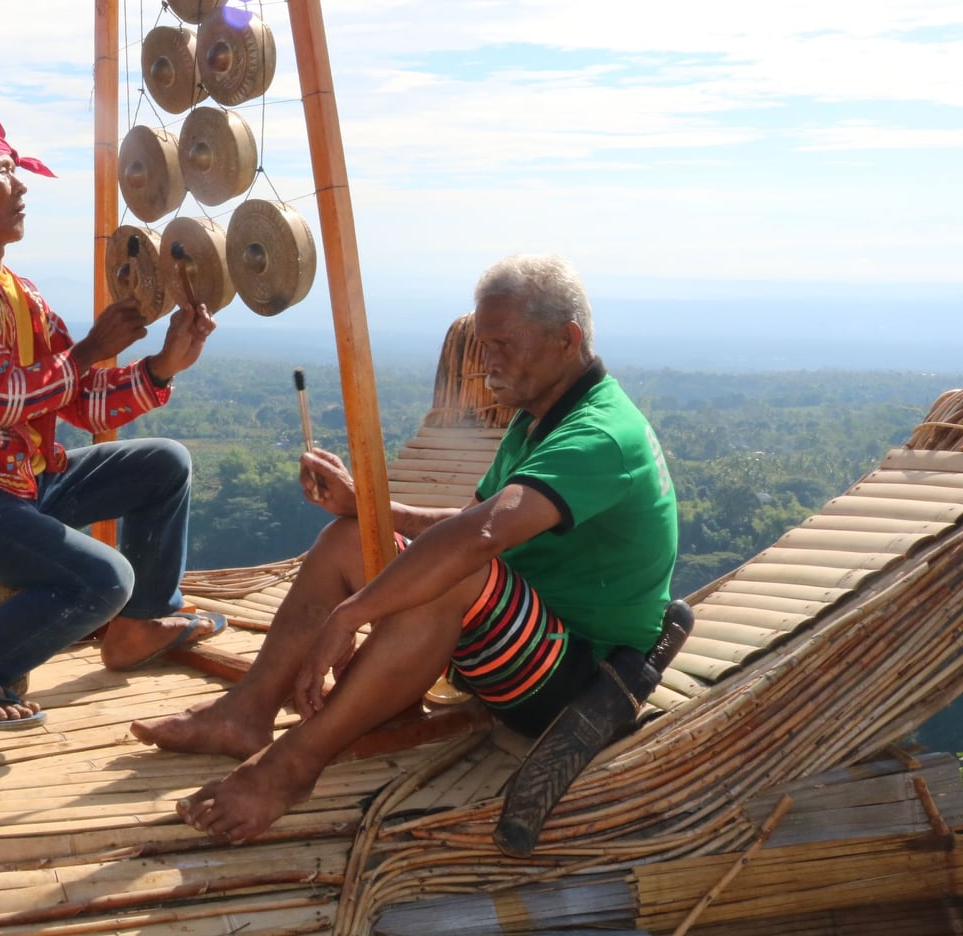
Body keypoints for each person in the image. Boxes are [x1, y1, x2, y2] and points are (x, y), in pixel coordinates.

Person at [134, 254, 678, 840]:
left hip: (576, 676)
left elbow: (476, 540)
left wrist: (354, 614)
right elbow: (472, 519)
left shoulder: (597, 436)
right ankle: (246, 714)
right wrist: (366, 509)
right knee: (350, 539)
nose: (487, 360)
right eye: (482, 342)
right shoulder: (539, 416)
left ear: (566, 339)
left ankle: (291, 765)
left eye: (501, 344)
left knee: (455, 573)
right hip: (524, 636)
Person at [0, 108, 222, 729]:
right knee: (102, 578)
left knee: (163, 464)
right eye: (6, 173)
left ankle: (139, 626)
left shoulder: (17, 291)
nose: (21, 188)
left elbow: (75, 398)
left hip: (19, 484)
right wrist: (90, 350)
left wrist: (161, 368)